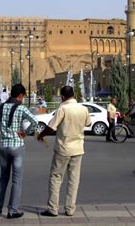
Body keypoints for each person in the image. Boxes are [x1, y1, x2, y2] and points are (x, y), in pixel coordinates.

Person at [37, 86, 91, 217]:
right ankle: (70, 209)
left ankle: (53, 208)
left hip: (63, 148)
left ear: (62, 97)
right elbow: (88, 124)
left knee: (56, 178)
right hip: (78, 148)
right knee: (74, 180)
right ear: (74, 95)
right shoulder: (84, 109)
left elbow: (51, 127)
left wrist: (41, 135)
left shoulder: (63, 109)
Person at [0, 84, 38, 219]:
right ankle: (12, 210)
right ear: (21, 95)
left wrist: (5, 128)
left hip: (3, 147)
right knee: (17, 180)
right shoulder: (21, 108)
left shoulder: (0, 108)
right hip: (17, 147)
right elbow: (35, 121)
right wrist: (25, 132)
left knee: (3, 177)